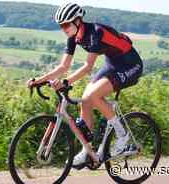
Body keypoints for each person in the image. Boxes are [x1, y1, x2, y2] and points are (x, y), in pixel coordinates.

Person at [27, 2, 143, 167]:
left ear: (77, 21)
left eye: (66, 24)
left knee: (93, 95)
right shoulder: (73, 37)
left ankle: (123, 135)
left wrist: (66, 82)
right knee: (86, 99)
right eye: (61, 26)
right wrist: (38, 80)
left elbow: (88, 67)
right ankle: (87, 151)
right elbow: (63, 66)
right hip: (113, 63)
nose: (64, 29)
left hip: (131, 64)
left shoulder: (96, 32)